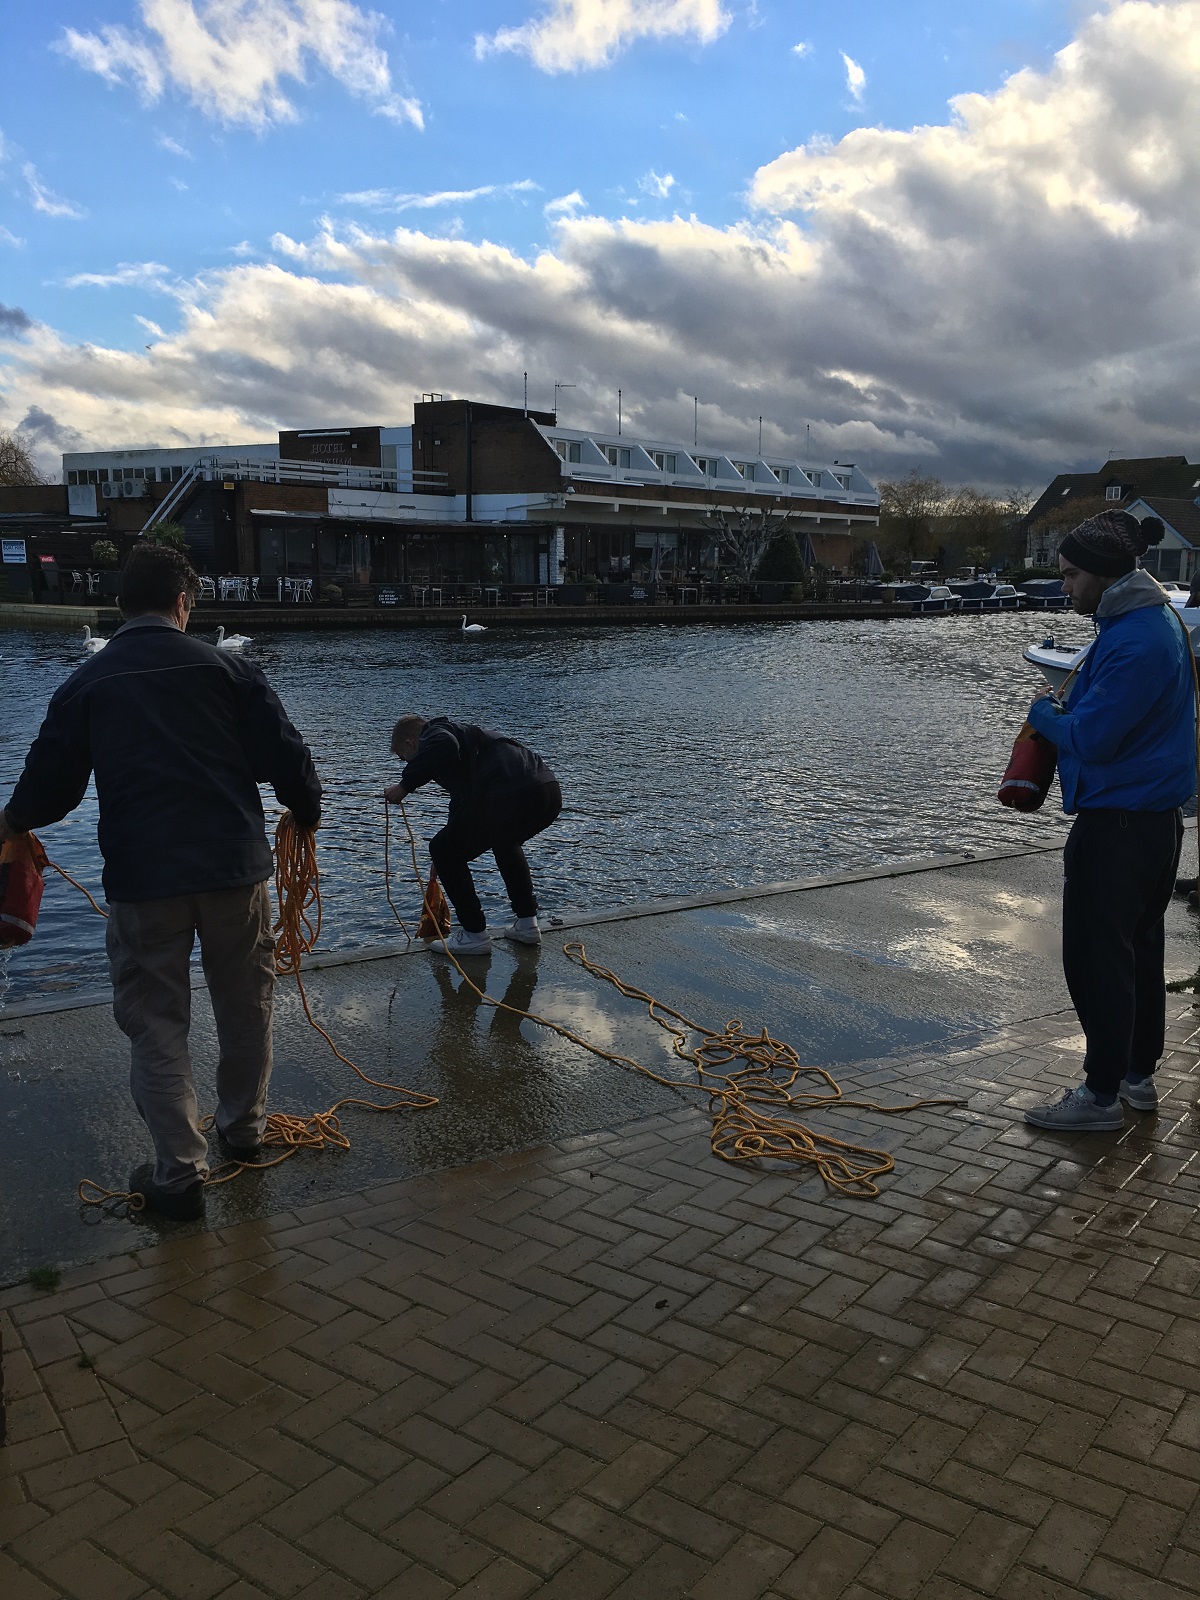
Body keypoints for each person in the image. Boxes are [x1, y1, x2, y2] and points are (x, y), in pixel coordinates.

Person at [0, 543, 321, 1219]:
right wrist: (308, 811)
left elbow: (48, 789)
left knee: (156, 1021)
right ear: (184, 603)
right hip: (235, 869)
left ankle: (178, 1176)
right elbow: (287, 760)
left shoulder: (88, 682)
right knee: (245, 1004)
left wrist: (10, 823)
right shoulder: (233, 672)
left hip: (144, 876)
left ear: (121, 605)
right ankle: (246, 1131)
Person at [1023, 511, 1195, 1131]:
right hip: (1154, 820)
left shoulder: (1134, 639)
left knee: (1098, 957)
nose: (1064, 586)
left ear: (1102, 573)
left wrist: (1042, 717)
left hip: (1120, 821)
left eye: (1071, 574)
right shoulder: (1154, 624)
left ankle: (1098, 1098)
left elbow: (1093, 738)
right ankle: (1136, 1078)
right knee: (1139, 951)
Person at [385, 714, 561, 956]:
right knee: (502, 843)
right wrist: (445, 857)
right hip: (545, 791)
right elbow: (461, 804)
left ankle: (474, 935)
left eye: (404, 759)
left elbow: (444, 746)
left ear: (410, 743)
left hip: (509, 791)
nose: (407, 764)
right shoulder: (465, 742)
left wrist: (405, 785)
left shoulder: (435, 733)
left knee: (443, 848)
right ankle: (527, 925)